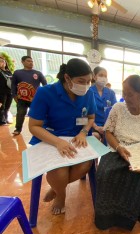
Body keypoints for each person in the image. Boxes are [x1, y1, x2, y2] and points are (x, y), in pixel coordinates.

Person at [28, 58, 96, 215]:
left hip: (76, 138)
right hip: (49, 138)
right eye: (81, 81)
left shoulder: (88, 94)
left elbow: (91, 118)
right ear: (67, 78)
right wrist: (57, 142)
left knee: (85, 165)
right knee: (59, 171)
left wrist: (83, 132)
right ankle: (61, 194)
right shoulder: (46, 93)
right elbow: (34, 126)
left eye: (88, 81)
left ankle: (56, 188)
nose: (85, 86)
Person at [95, 75, 140, 230]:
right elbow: (108, 133)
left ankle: (139, 213)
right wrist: (119, 148)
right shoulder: (118, 108)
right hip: (117, 149)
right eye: (124, 93)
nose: (125, 97)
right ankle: (110, 217)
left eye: (129, 94)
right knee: (106, 172)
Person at [12, 56, 47, 135]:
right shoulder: (17, 72)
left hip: (34, 99)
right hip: (21, 99)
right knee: (20, 113)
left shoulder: (38, 73)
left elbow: (45, 84)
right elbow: (13, 85)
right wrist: (14, 95)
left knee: (38, 114)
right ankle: (18, 129)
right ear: (23, 62)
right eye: (28, 61)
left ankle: (42, 129)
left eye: (32, 61)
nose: (31, 62)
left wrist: (44, 95)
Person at [90, 66, 117, 140]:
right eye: (101, 75)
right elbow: (83, 114)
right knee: (95, 137)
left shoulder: (111, 93)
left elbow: (115, 111)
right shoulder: (88, 92)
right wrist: (96, 127)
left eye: (105, 76)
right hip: (92, 126)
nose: (103, 78)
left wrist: (107, 127)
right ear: (94, 77)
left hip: (109, 127)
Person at [0, 56, 13, 125]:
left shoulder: (8, 71)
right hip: (1, 92)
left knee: (7, 107)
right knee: (2, 106)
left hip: (9, 91)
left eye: (3, 61)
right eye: (0, 61)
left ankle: (5, 119)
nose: (2, 63)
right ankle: (1, 121)